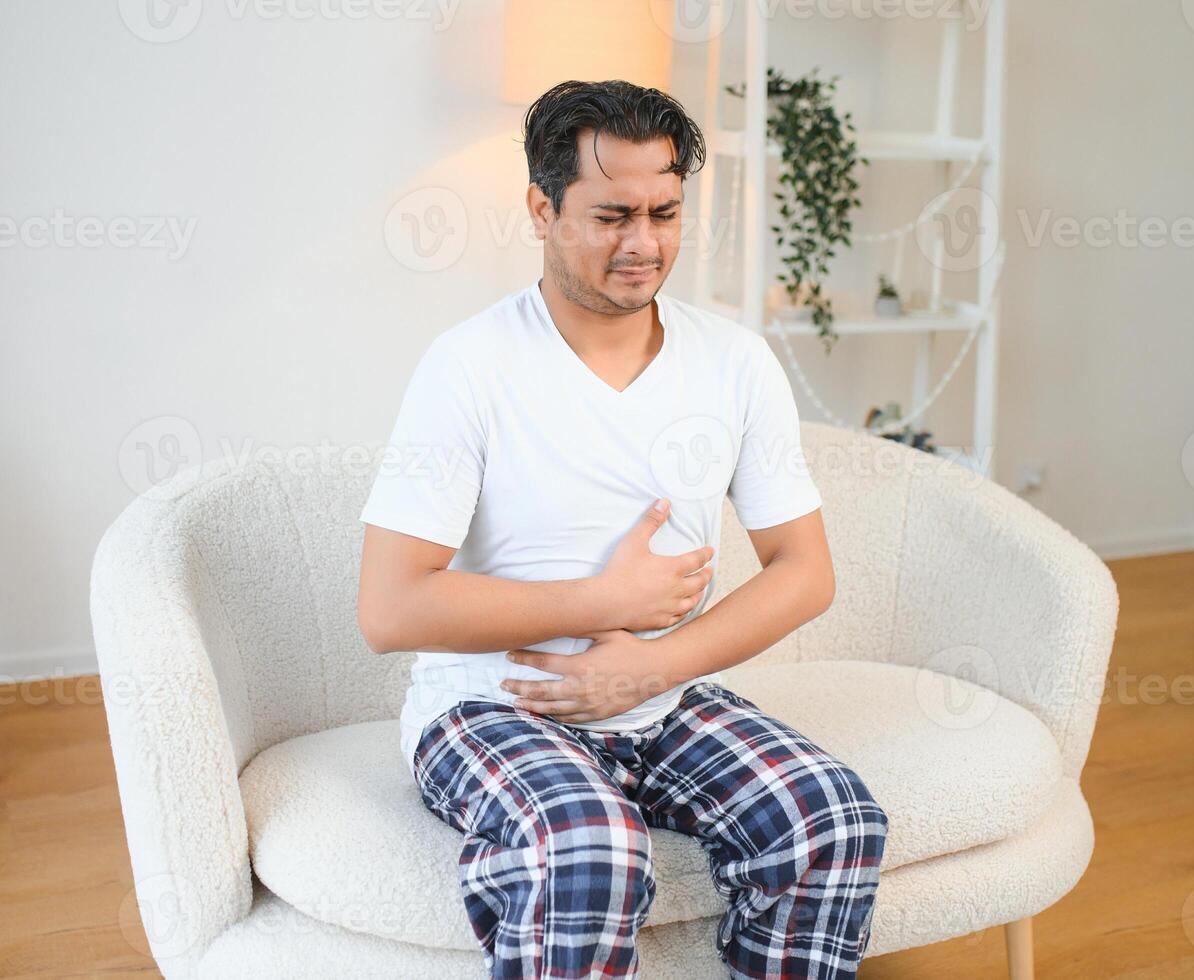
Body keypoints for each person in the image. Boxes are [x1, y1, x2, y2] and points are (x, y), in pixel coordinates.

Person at [356, 79, 888, 979]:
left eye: (664, 212)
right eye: (611, 215)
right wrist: (605, 600)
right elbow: (390, 608)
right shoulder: (468, 367)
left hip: (664, 698)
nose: (643, 244)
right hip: (491, 705)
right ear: (541, 207)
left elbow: (804, 572)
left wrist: (652, 663)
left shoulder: (734, 362)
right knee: (586, 851)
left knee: (832, 819)